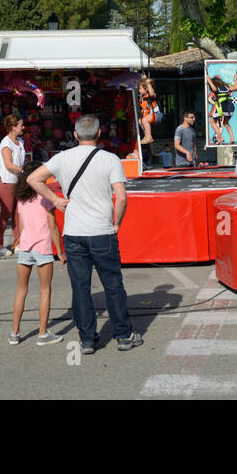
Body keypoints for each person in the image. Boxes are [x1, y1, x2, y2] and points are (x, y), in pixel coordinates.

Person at [28, 115, 141, 354]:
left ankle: (88, 339)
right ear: (99, 134)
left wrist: (55, 199)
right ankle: (123, 334)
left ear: (75, 135)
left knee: (81, 288)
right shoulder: (110, 159)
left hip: (74, 232)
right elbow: (121, 197)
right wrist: (117, 223)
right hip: (102, 230)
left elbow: (32, 179)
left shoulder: (62, 158)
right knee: (113, 285)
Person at [9, 161, 66, 345]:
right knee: (45, 290)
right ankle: (42, 333)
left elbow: (21, 224)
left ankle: (14, 333)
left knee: (21, 290)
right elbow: (52, 226)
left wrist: (18, 240)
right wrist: (61, 252)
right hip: (42, 246)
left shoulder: (21, 199)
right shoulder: (45, 198)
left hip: (25, 246)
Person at [0, 115, 26, 260]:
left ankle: (18, 243)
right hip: (6, 182)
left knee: (18, 214)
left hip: (17, 181)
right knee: (5, 214)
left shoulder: (20, 142)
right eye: (21, 125)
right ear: (13, 127)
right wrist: (24, 171)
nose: (23, 127)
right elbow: (8, 165)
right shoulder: (6, 143)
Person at [207, 74, 237, 145]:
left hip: (223, 107)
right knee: (226, 123)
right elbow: (235, 87)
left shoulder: (217, 88)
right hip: (231, 107)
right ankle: (232, 139)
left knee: (212, 121)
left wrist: (209, 80)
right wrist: (236, 78)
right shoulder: (226, 87)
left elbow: (214, 89)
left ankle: (220, 138)